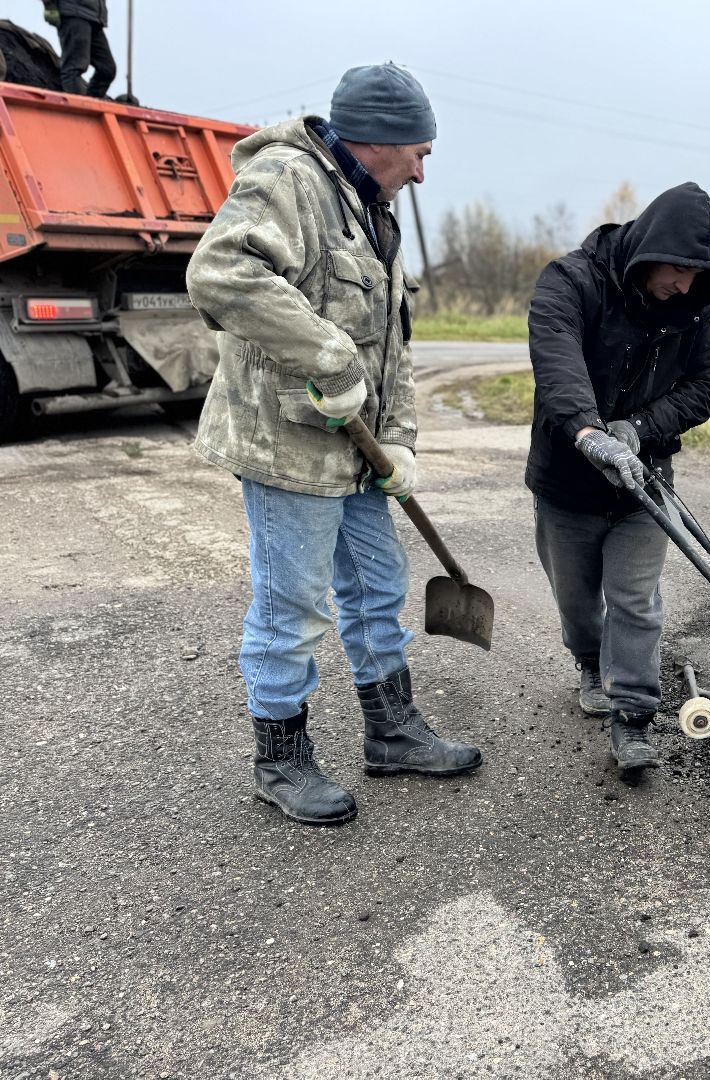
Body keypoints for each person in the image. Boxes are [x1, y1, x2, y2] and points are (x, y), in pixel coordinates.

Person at [186, 62, 483, 826]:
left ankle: (392, 731)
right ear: (375, 139)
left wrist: (401, 441)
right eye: (417, 151)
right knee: (293, 606)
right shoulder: (289, 178)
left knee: (379, 587)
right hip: (289, 446)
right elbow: (220, 272)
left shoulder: (373, 209)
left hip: (357, 454)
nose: (422, 169)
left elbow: (394, 344)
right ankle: (280, 762)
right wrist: (326, 354)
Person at [526, 182, 710, 771]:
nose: (685, 286)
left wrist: (638, 429)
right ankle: (589, 661)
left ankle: (634, 716)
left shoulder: (693, 306)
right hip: (566, 480)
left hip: (644, 480)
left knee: (636, 599)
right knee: (577, 601)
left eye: (699, 276)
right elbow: (557, 362)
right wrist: (589, 433)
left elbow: (705, 384)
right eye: (679, 270)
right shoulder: (570, 282)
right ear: (649, 246)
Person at [42, 0, 116, 98]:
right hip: (74, 13)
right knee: (74, 67)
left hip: (94, 17)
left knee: (107, 69)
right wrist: (49, 5)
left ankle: (90, 104)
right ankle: (78, 108)